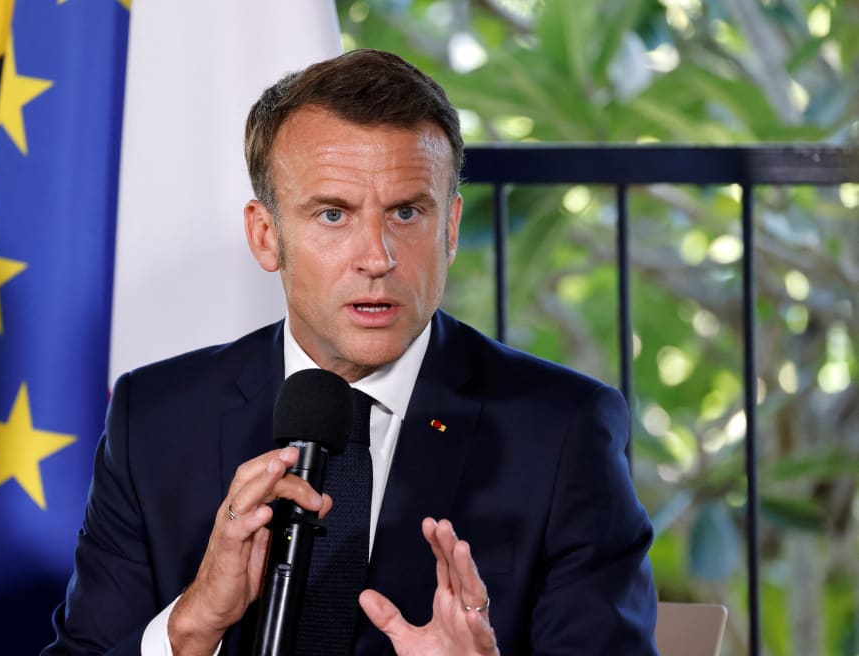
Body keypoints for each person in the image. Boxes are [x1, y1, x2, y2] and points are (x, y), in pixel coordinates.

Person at [43, 49, 657, 656]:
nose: (377, 257)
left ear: (450, 229)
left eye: (407, 212)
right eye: (333, 214)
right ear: (266, 234)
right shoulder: (155, 418)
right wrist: (193, 625)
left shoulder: (563, 430)